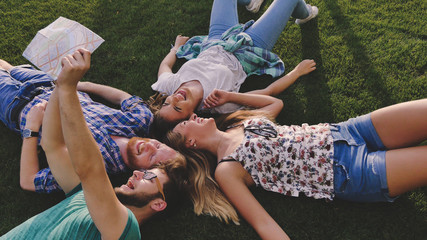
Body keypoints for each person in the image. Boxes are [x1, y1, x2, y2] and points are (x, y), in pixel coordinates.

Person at [166, 90, 427, 239]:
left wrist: (230, 96)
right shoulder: (227, 168)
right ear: (190, 143)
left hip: (348, 131)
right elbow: (263, 223)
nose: (194, 116)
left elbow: (274, 104)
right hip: (351, 172)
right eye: (187, 122)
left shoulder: (236, 123)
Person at [1, 49, 188, 239]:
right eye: (158, 145)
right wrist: (62, 85)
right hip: (46, 87)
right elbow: (53, 146)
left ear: (158, 203)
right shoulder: (83, 195)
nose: (137, 173)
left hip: (17, 106)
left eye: (148, 175)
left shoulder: (126, 230)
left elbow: (88, 169)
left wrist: (67, 88)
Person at [0, 59, 181, 193]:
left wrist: (31, 128)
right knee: (10, 68)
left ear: (142, 172)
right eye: (158, 145)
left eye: (152, 157)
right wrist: (80, 85)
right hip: (48, 83)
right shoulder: (141, 121)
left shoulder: (93, 167)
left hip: (17, 106)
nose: (149, 146)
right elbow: (123, 98)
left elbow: (29, 181)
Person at [150, 0, 319, 136]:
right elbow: (268, 92)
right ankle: (305, 14)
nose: (175, 99)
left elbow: (164, 67)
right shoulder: (219, 103)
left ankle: (251, 3)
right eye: (178, 108)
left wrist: (176, 48)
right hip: (248, 48)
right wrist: (297, 72)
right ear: (191, 116)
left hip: (216, 39)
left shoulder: (169, 87)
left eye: (167, 103)